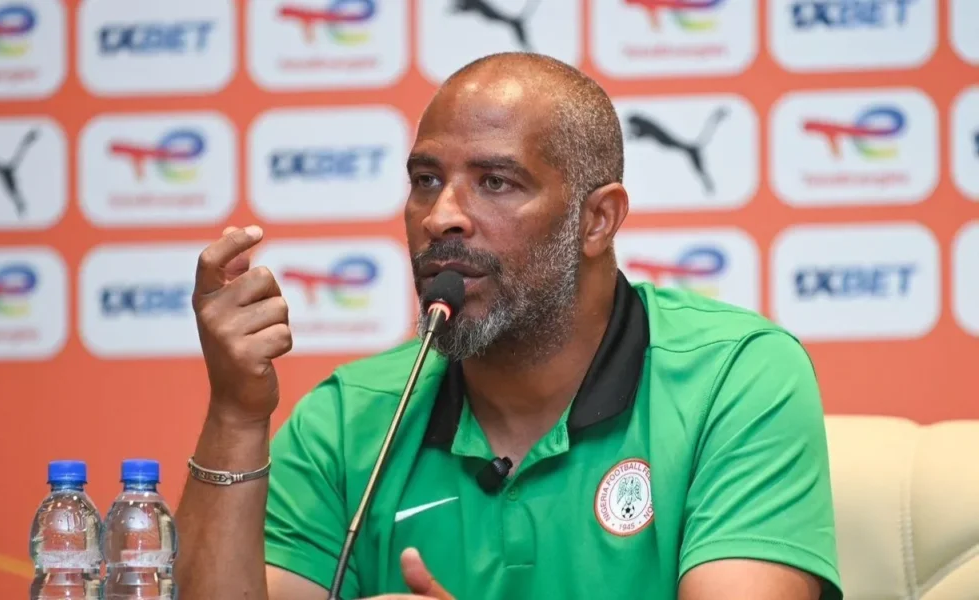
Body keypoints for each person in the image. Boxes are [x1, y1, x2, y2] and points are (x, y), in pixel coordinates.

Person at [174, 52, 843, 600]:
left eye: (495, 182)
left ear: (597, 220)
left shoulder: (734, 376)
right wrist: (236, 414)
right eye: (425, 180)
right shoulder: (352, 418)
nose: (442, 216)